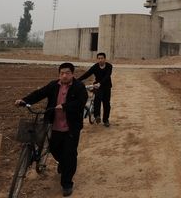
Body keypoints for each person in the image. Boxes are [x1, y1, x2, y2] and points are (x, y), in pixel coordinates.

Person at [15, 62, 87, 197]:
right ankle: (63, 163)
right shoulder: (54, 85)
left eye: (67, 73)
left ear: (72, 74)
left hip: (71, 128)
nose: (64, 76)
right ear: (59, 74)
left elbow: (81, 102)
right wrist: (24, 100)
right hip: (54, 126)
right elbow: (39, 93)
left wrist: (65, 106)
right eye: (62, 73)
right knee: (54, 149)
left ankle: (66, 184)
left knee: (70, 155)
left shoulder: (79, 87)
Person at [78, 52, 113, 127]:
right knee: (97, 99)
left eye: (102, 58)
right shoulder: (95, 67)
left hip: (106, 87)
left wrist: (100, 83)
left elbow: (107, 76)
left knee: (106, 103)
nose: (100, 60)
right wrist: (77, 81)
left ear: (105, 59)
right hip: (97, 87)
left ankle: (106, 120)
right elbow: (87, 74)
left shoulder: (109, 66)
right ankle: (97, 116)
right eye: (99, 58)